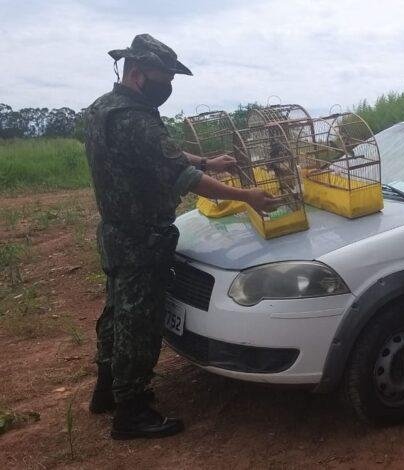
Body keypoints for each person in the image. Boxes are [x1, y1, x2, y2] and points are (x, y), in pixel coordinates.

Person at [84, 33, 279, 440]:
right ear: (137, 74)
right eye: (164, 77)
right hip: (141, 237)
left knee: (117, 311)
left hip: (116, 232)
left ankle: (107, 390)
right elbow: (183, 176)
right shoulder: (135, 120)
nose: (168, 87)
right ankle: (132, 412)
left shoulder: (105, 108)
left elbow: (162, 153)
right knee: (139, 320)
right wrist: (247, 197)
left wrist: (208, 159)